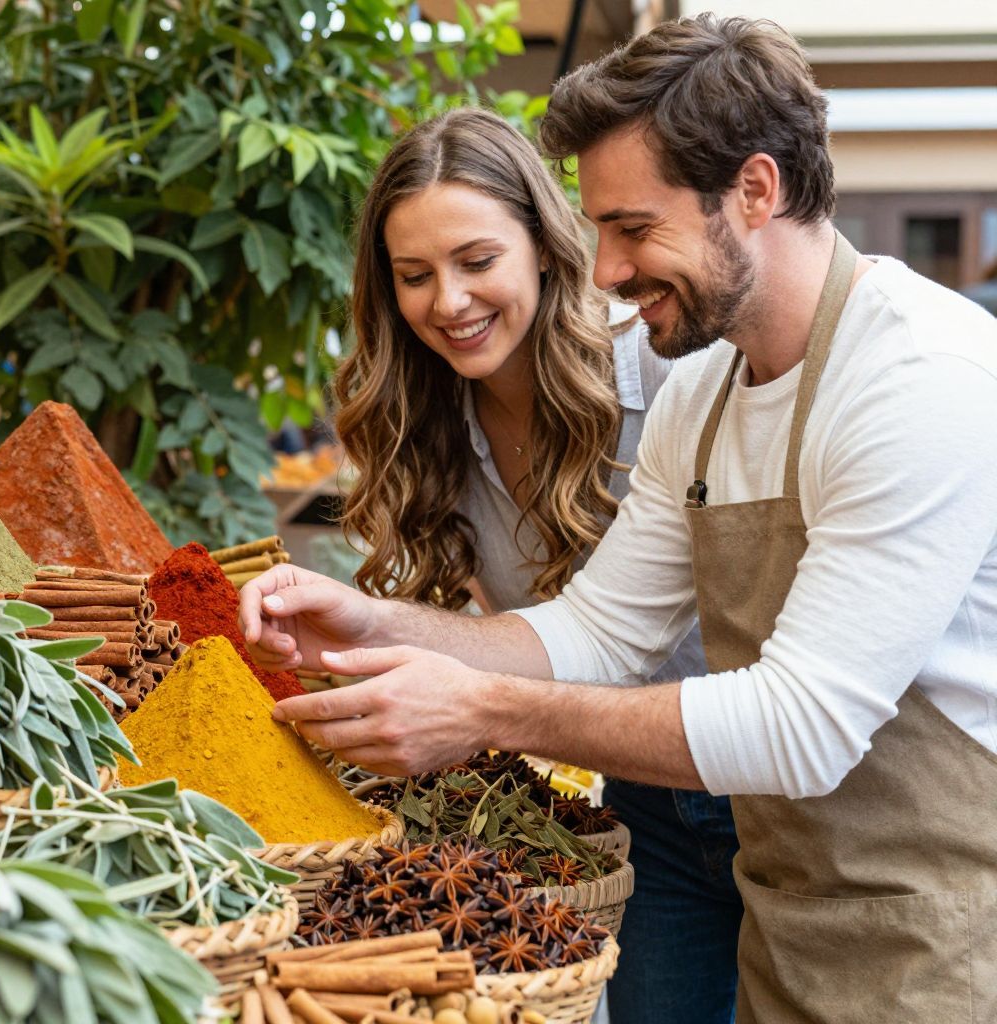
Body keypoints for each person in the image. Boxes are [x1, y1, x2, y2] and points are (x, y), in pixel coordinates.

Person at [242, 15, 997, 1020]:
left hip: (940, 927)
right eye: (598, 229)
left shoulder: (920, 376)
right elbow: (599, 632)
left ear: (757, 191)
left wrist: (476, 707)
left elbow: (805, 723)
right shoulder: (706, 389)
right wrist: (378, 625)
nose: (600, 272)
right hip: (792, 904)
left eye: (634, 229)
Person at [333, 106, 737, 1023]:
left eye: (477, 261)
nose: (449, 301)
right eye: (414, 276)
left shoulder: (674, 374)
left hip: (775, 797)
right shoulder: (430, 427)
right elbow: (541, 641)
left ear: (548, 249)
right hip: (638, 815)